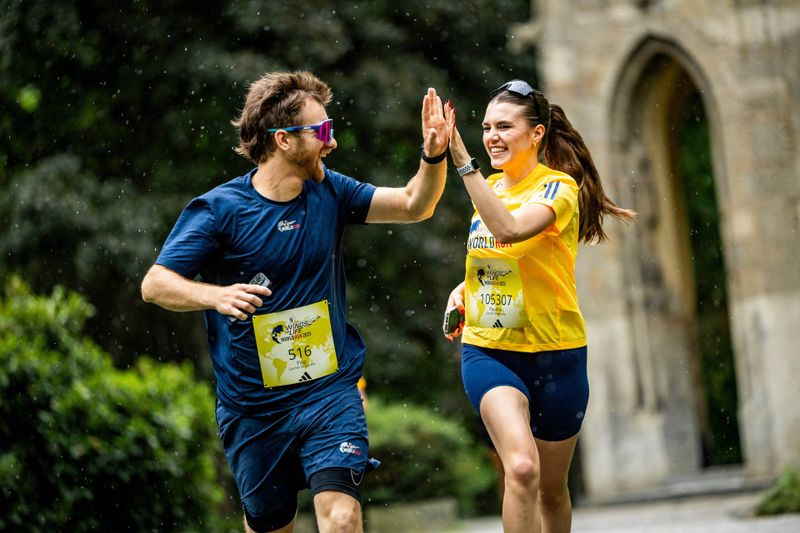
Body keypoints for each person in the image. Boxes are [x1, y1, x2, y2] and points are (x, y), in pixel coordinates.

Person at [141, 71, 453, 533]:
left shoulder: (331, 191)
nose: (333, 141)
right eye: (322, 130)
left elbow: (414, 204)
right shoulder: (219, 210)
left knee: (342, 519)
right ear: (283, 139)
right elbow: (155, 283)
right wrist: (215, 295)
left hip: (329, 392)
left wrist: (434, 154)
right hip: (253, 408)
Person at [444, 79, 634, 533]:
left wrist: (462, 161)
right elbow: (497, 260)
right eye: (486, 127)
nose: (492, 136)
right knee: (522, 468)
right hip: (491, 351)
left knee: (551, 490)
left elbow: (509, 231)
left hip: (558, 353)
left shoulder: (558, 189)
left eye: (504, 127)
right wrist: (463, 288)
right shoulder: (488, 188)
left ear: (536, 134)